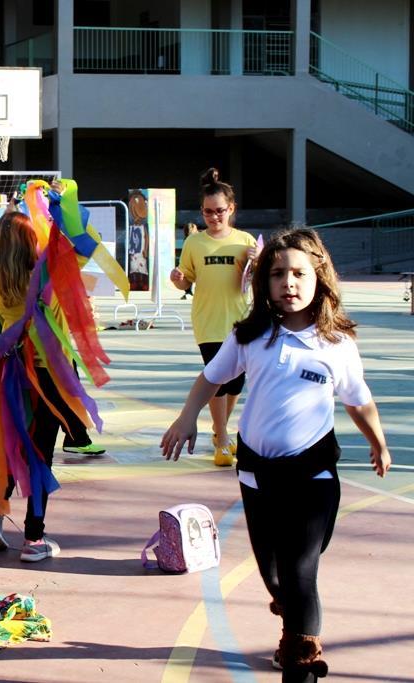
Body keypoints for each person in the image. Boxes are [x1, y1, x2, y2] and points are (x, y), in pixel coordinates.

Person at [161, 228, 390, 683]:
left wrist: (378, 441)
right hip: (257, 475)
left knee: (300, 571)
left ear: (319, 279)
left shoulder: (337, 344)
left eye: (299, 273)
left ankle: (301, 660)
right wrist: (188, 417)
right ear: (264, 283)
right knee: (275, 576)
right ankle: (292, 620)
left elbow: (358, 400)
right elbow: (210, 378)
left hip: (313, 475)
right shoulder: (252, 336)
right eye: (279, 273)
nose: (289, 282)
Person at [0, 210, 99, 562]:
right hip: (48, 376)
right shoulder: (45, 274)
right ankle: (34, 539)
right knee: (41, 454)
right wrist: (64, 208)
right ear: (31, 241)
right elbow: (89, 244)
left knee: (16, 445)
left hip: (10, 374)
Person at [169, 168, 257, 467]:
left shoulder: (246, 241)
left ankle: (220, 430)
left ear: (231, 209)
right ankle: (221, 436)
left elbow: (256, 279)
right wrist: (178, 278)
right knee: (217, 378)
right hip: (208, 321)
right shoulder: (195, 242)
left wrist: (258, 265)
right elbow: (186, 281)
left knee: (235, 383)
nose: (214, 217)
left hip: (241, 319)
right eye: (208, 212)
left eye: (220, 211)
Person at [180, 222, 198, 299]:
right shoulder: (193, 239)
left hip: (192, 260)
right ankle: (189, 292)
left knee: (189, 276)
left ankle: (189, 292)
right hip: (193, 260)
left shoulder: (186, 239)